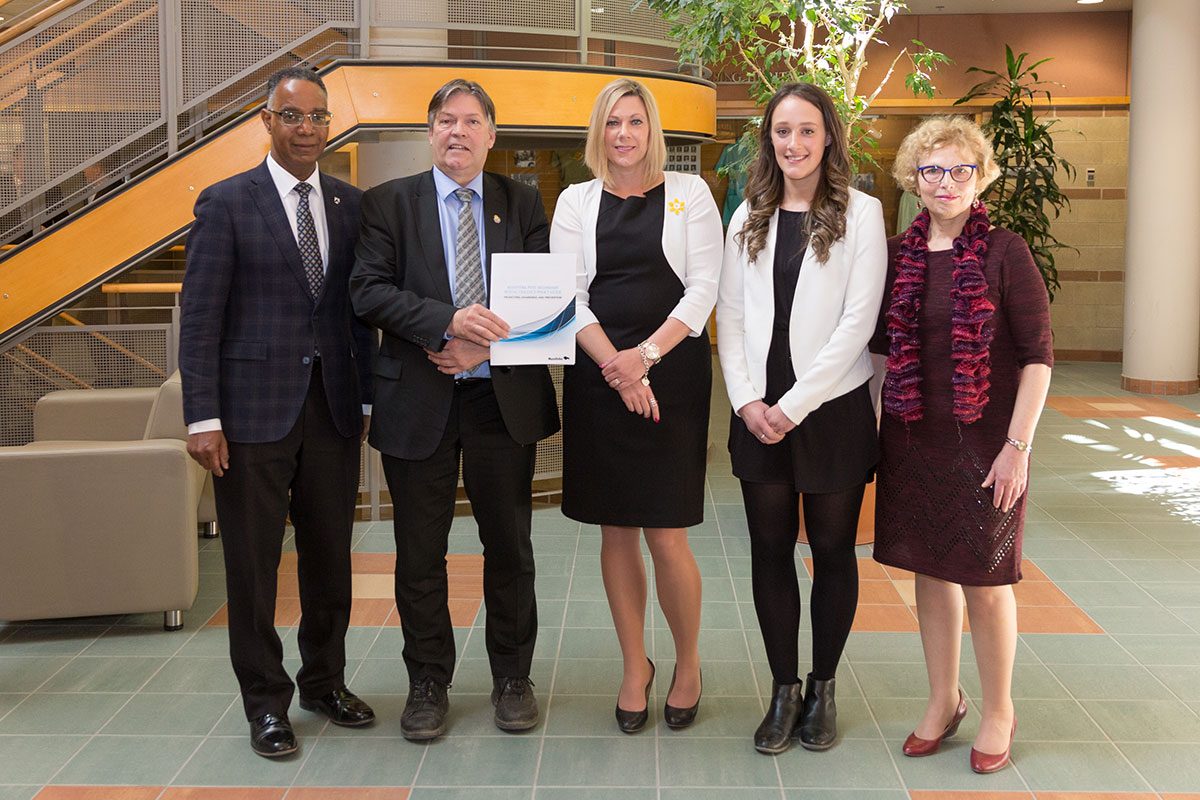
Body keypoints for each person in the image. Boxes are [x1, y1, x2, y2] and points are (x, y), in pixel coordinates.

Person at [350, 78, 560, 741]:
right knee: (419, 553)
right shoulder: (388, 203)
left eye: (471, 121)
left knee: (510, 548)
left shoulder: (522, 202)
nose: (457, 131)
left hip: (501, 401)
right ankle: (427, 683)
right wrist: (448, 322)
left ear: (491, 135)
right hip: (419, 400)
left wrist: (484, 349)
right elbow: (367, 290)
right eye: (445, 120)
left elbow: (543, 298)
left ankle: (513, 678)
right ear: (430, 131)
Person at [179, 66, 377, 758]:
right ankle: (266, 704)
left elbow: (358, 314)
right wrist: (202, 417)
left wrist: (365, 396)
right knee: (253, 567)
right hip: (249, 417)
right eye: (293, 116)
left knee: (330, 560)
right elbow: (200, 319)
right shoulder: (226, 203)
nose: (307, 128)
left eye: (318, 116)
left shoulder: (351, 206)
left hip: (333, 412)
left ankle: (324, 682)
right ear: (267, 121)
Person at [871, 115, 1053, 774]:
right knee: (930, 571)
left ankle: (999, 709)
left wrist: (1017, 447)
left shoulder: (1007, 252)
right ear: (913, 178)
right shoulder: (897, 253)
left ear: (981, 177)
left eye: (959, 169)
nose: (945, 182)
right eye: (932, 169)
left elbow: (1037, 358)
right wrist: (877, 430)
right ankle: (943, 699)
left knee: (986, 578)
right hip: (915, 441)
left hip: (988, 446)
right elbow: (881, 355)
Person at [716, 82, 886, 754]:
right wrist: (746, 401)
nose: (794, 143)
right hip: (758, 410)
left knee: (833, 551)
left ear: (828, 137)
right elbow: (730, 316)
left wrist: (791, 407)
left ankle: (824, 687)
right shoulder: (747, 214)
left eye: (807, 130)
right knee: (768, 550)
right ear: (769, 139)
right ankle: (784, 689)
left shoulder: (861, 214)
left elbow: (857, 324)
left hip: (831, 409)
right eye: (782, 131)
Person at [550, 78, 722, 733]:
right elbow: (568, 298)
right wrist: (617, 370)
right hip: (600, 376)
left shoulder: (689, 194)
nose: (624, 133)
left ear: (653, 131)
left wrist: (642, 359)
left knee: (667, 533)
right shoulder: (575, 201)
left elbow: (703, 289)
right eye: (613, 122)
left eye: (636, 121)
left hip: (671, 375)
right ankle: (634, 666)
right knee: (615, 529)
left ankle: (688, 664)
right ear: (599, 132)